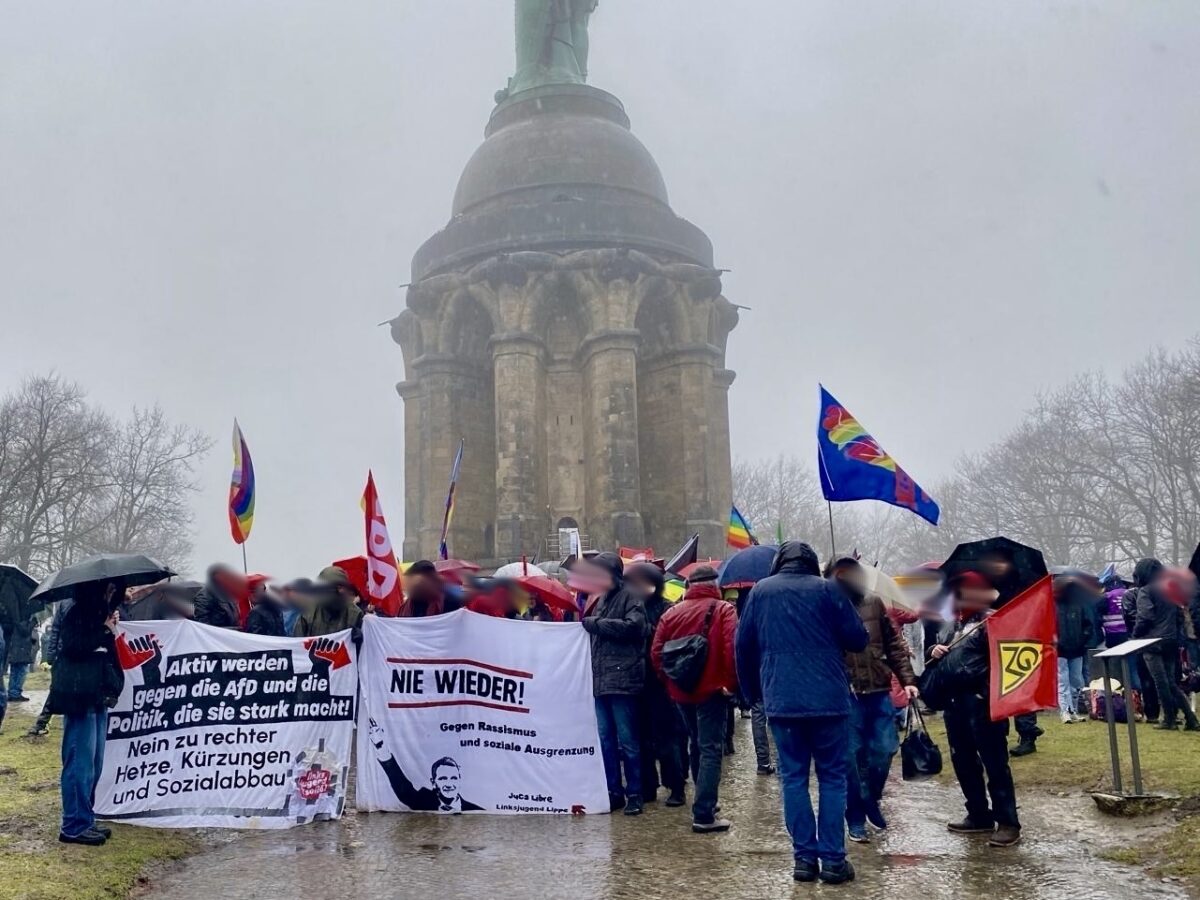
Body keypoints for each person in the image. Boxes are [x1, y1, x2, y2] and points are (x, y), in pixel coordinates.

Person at [735, 542, 869, 885]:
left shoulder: (760, 593)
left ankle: (804, 860)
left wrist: (752, 694)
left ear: (779, 563)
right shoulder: (829, 590)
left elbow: (743, 646)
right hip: (828, 700)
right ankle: (834, 861)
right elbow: (858, 639)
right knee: (832, 779)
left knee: (793, 778)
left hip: (782, 700)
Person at [826, 558, 918, 844]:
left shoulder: (874, 603)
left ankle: (870, 798)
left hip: (878, 689)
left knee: (885, 749)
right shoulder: (826, 606)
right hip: (847, 695)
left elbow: (894, 645)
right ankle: (855, 816)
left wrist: (908, 680)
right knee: (851, 759)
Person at [931, 571, 1021, 847]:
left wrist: (988, 693)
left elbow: (1006, 661)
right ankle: (978, 814)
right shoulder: (951, 623)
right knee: (963, 761)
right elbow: (943, 654)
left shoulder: (993, 620)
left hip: (983, 703)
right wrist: (934, 650)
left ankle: (1008, 822)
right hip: (954, 703)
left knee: (995, 763)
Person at [651, 565, 737, 832]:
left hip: (681, 692)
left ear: (689, 586)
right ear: (714, 585)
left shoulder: (671, 613)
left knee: (696, 745)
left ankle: (704, 798)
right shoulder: (724, 610)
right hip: (712, 690)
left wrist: (670, 682)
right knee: (710, 748)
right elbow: (731, 649)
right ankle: (704, 814)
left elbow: (656, 653)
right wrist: (730, 684)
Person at [48, 580, 125, 846]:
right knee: (79, 762)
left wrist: (108, 627)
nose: (112, 594)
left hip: (96, 694)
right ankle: (73, 824)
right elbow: (73, 646)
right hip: (79, 695)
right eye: (109, 589)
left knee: (94, 762)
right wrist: (104, 630)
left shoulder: (99, 613)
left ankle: (85, 817)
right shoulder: (77, 612)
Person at [578, 552, 647, 816]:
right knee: (606, 741)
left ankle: (635, 793)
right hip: (602, 681)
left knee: (628, 741)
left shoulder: (631, 595)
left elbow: (634, 627)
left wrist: (596, 624)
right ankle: (613, 791)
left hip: (623, 680)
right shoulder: (602, 599)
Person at [627, 563, 687, 807]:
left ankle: (676, 785)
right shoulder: (633, 607)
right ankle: (648, 785)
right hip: (637, 680)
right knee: (642, 737)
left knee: (666, 739)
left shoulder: (667, 610)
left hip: (661, 682)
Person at [1131, 558, 1200, 731]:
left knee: (1161, 682)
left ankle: (1170, 719)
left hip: (1151, 642)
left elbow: (1145, 617)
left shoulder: (1145, 591)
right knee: (1171, 682)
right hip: (1171, 640)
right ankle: (1190, 719)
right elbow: (1179, 615)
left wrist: (1135, 635)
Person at [366, 718, 482, 812]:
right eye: (443, 778)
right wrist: (382, 750)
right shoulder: (423, 800)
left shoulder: (474, 811)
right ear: (433, 782)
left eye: (453, 778)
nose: (449, 783)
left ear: (459, 780)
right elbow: (403, 790)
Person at [1055, 578, 1100, 724]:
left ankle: (1072, 710)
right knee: (1064, 682)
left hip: (1075, 649)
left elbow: (1088, 624)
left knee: (1075, 682)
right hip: (1060, 650)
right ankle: (1065, 711)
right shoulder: (1053, 605)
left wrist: (1082, 640)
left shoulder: (1078, 605)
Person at [27, 598, 73, 737]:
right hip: (65, 655)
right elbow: (56, 630)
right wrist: (51, 656)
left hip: (71, 655)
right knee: (56, 689)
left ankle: (43, 722)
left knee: (59, 690)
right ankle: (42, 722)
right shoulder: (65, 604)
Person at [293, 567, 365, 638]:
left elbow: (367, 642)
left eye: (341, 587)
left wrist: (362, 638)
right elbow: (297, 641)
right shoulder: (308, 613)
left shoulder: (355, 614)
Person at [194, 564, 245, 629]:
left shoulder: (228, 593)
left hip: (232, 632)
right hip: (218, 634)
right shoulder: (204, 595)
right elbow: (203, 624)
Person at [6, 611, 36, 703]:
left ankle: (13, 693)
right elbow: (25, 631)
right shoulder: (21, 618)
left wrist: (31, 640)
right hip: (20, 650)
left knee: (15, 672)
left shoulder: (15, 616)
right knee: (21, 672)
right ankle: (15, 694)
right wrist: (33, 622)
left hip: (17, 649)